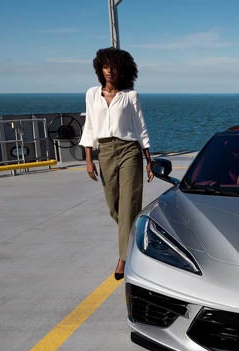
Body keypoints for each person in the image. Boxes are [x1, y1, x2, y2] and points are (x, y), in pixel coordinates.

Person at [80, 47, 154, 280]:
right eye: (105, 66)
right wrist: (88, 159)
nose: (109, 71)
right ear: (99, 69)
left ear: (122, 69)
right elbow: (90, 126)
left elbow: (141, 128)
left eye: (113, 67)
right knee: (114, 205)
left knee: (129, 204)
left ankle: (123, 258)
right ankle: (132, 233)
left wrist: (148, 160)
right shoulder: (92, 94)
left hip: (129, 150)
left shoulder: (131, 96)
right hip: (105, 152)